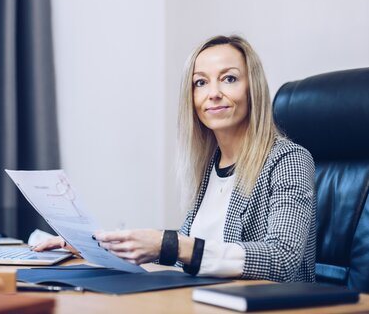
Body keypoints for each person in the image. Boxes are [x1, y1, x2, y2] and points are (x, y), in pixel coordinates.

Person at [34, 35, 316, 282]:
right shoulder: (210, 165)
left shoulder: (288, 159)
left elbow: (282, 258)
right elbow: (188, 253)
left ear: (252, 88)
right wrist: (96, 244)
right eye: (200, 83)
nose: (214, 93)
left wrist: (169, 244)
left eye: (229, 78)